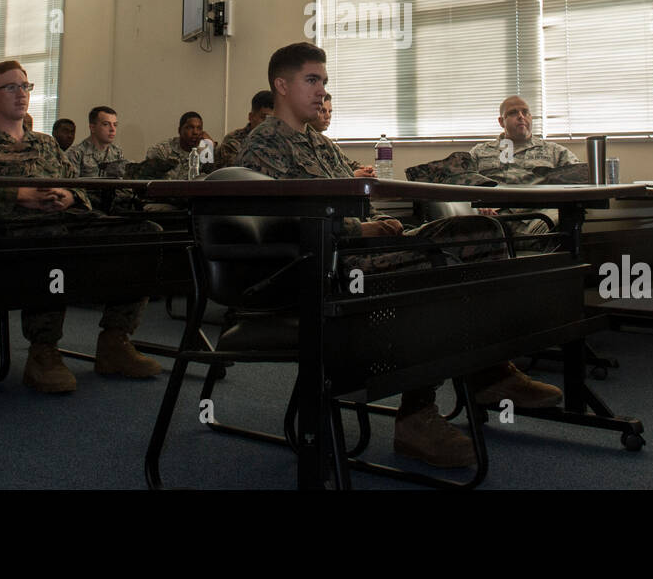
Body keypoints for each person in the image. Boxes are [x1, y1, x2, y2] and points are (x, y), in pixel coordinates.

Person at [238, 42, 561, 469]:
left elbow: (357, 200)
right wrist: (363, 228)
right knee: (438, 267)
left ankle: (489, 370)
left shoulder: (318, 143)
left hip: (360, 247)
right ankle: (416, 416)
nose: (321, 92)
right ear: (281, 85)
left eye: (325, 83)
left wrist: (381, 226)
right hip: (326, 263)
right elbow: (285, 223)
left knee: (484, 233)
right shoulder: (264, 145)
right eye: (311, 81)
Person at [0, 63, 160, 393]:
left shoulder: (47, 144)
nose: (21, 93)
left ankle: (114, 341)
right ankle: (43, 351)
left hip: (62, 220)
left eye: (25, 86)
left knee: (143, 233)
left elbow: (76, 186)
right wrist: (18, 196)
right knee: (50, 240)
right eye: (11, 87)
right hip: (8, 231)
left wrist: (68, 196)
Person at [471, 96, 576, 238]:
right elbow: (459, 180)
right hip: (492, 221)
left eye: (525, 112)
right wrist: (478, 203)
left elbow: (580, 176)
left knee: (564, 224)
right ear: (501, 121)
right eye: (513, 113)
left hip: (537, 219)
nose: (521, 117)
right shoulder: (480, 152)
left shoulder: (554, 152)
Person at [65, 106, 134, 211]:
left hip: (114, 206)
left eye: (115, 125)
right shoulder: (76, 153)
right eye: (106, 124)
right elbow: (72, 190)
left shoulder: (117, 152)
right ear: (92, 128)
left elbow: (122, 184)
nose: (112, 129)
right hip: (86, 209)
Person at [307, 92, 375, 177]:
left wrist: (365, 170)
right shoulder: (304, 142)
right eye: (323, 111)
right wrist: (352, 176)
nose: (328, 116)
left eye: (330, 111)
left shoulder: (327, 143)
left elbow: (348, 164)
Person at [145, 112, 218, 179]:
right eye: (190, 127)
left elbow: (216, 176)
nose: (195, 132)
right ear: (179, 130)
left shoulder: (205, 151)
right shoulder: (162, 150)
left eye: (199, 128)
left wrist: (212, 146)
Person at [215, 91, 274, 168]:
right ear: (251, 117)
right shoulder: (233, 140)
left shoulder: (278, 140)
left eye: (273, 119)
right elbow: (239, 172)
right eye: (264, 118)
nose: (269, 123)